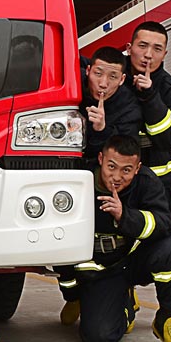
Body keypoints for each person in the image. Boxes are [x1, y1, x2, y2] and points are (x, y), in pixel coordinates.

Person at [64, 135, 171, 342]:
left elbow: (164, 223)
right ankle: (124, 305)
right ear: (100, 159)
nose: (116, 177)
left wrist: (125, 216)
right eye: (111, 167)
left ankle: (166, 320)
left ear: (137, 168)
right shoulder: (79, 182)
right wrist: (73, 295)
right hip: (102, 269)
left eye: (126, 170)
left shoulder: (147, 181)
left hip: (134, 259)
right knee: (98, 336)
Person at [126, 21, 171, 337]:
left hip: (162, 189)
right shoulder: (114, 78)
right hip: (123, 188)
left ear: (165, 53)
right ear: (129, 47)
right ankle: (123, 301)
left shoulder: (168, 88)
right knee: (121, 245)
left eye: (157, 48)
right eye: (143, 45)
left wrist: (151, 96)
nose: (148, 54)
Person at [58, 46, 142, 326]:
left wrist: (103, 131)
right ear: (87, 71)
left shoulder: (129, 107)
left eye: (112, 76)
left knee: (98, 247)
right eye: (97, 74)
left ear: (122, 79)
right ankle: (73, 297)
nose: (103, 83)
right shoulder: (72, 90)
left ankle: (122, 293)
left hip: (104, 187)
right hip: (67, 181)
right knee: (61, 241)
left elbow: (123, 156)